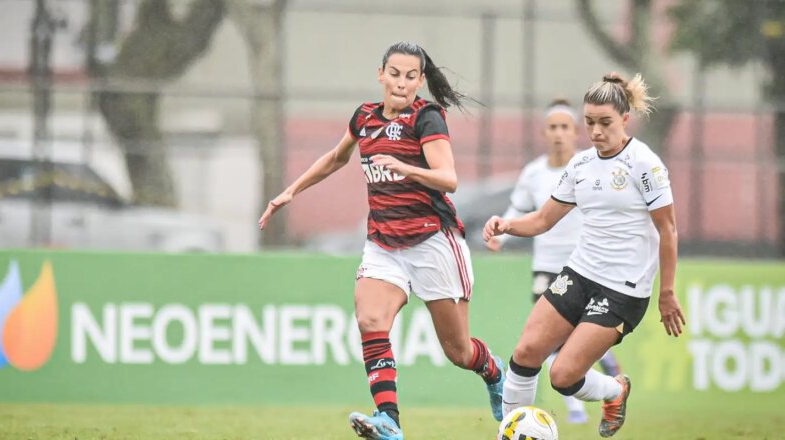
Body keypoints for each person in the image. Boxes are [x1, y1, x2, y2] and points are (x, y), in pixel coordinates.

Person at [259, 41, 505, 440]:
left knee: (459, 352)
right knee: (370, 319)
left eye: (411, 76)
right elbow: (338, 157)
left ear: (420, 80)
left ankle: (493, 372)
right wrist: (293, 190)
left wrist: (406, 167)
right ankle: (388, 419)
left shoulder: (427, 118)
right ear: (380, 74)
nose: (402, 83)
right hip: (384, 243)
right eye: (395, 74)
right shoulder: (365, 117)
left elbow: (449, 179)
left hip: (433, 242)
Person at [483, 72, 685, 438]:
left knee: (562, 375)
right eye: (589, 122)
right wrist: (506, 225)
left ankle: (615, 390)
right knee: (527, 352)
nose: (595, 132)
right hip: (580, 272)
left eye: (604, 122)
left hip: (623, 289)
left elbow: (667, 230)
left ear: (625, 119)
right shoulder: (580, 166)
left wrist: (667, 293)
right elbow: (544, 218)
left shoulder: (646, 165)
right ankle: (511, 434)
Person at [486, 99, 621, 424]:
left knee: (579, 340)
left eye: (565, 127)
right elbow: (519, 211)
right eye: (553, 127)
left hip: (588, 269)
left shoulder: (591, 167)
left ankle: (609, 369)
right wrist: (500, 235)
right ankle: (575, 409)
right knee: (547, 342)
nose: (559, 134)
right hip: (547, 268)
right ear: (545, 132)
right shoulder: (533, 173)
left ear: (576, 132)